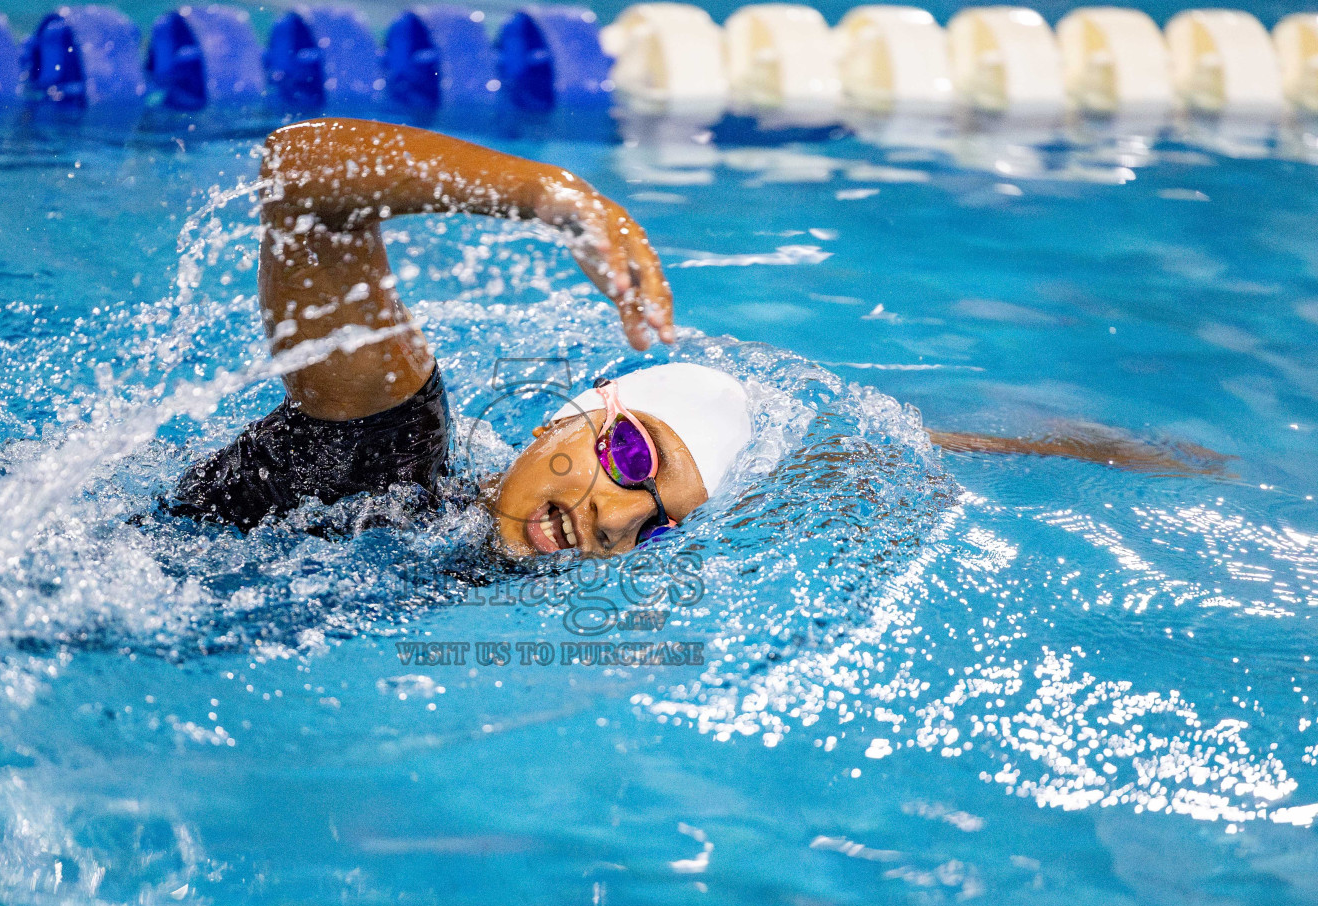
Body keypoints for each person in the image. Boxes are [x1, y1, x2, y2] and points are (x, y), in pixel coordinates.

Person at [169, 118, 1222, 556]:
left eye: (655, 518)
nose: (614, 512)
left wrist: (1052, 456)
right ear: (568, 416)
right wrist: (556, 199)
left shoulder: (484, 569)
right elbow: (301, 178)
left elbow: (809, 456)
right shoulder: (389, 445)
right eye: (630, 455)